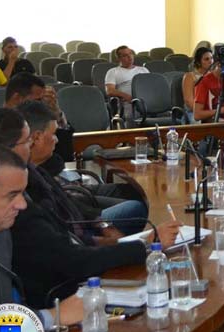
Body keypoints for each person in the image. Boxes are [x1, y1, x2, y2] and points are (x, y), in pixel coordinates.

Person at [0, 108, 181, 307]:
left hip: (71, 270)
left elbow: (68, 226)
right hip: (61, 294)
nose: (21, 203)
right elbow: (71, 260)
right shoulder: (13, 217)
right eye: (27, 141)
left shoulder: (30, 180)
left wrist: (119, 238)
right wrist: (144, 246)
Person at [0, 143, 83, 332]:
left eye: (22, 193)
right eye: (12, 195)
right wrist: (51, 317)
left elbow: (0, 313)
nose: (22, 205)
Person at [17, 101, 148, 236]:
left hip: (80, 212)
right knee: (136, 208)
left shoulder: (38, 170)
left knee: (134, 193)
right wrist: (101, 236)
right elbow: (61, 231)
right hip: (77, 228)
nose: (56, 140)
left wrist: (101, 223)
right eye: (54, 134)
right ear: (36, 138)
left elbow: (67, 200)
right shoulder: (26, 178)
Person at [104, 45, 149, 126]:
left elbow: (151, 86)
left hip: (147, 100)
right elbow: (110, 90)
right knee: (133, 115)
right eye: (125, 55)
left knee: (164, 113)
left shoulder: (143, 70)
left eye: (130, 53)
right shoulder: (113, 72)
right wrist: (127, 96)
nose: (130, 57)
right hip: (129, 103)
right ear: (119, 59)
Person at [183, 46, 213, 123]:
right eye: (206, 59)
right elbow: (189, 101)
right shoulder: (190, 76)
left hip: (211, 110)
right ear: (199, 62)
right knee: (197, 122)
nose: (211, 61)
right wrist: (204, 113)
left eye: (211, 58)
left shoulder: (213, 76)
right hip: (193, 112)